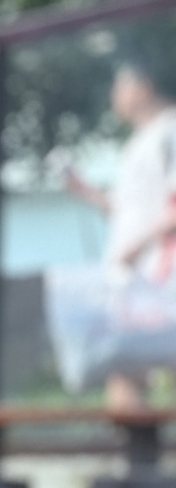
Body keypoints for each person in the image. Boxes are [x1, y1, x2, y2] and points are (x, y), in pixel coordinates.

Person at [60, 55, 176, 407]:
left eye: (119, 87)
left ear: (142, 88)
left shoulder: (170, 130)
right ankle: (137, 462)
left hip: (160, 275)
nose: (114, 97)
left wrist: (135, 247)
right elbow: (131, 211)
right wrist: (86, 191)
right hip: (135, 278)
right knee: (125, 371)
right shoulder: (141, 140)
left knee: (141, 369)